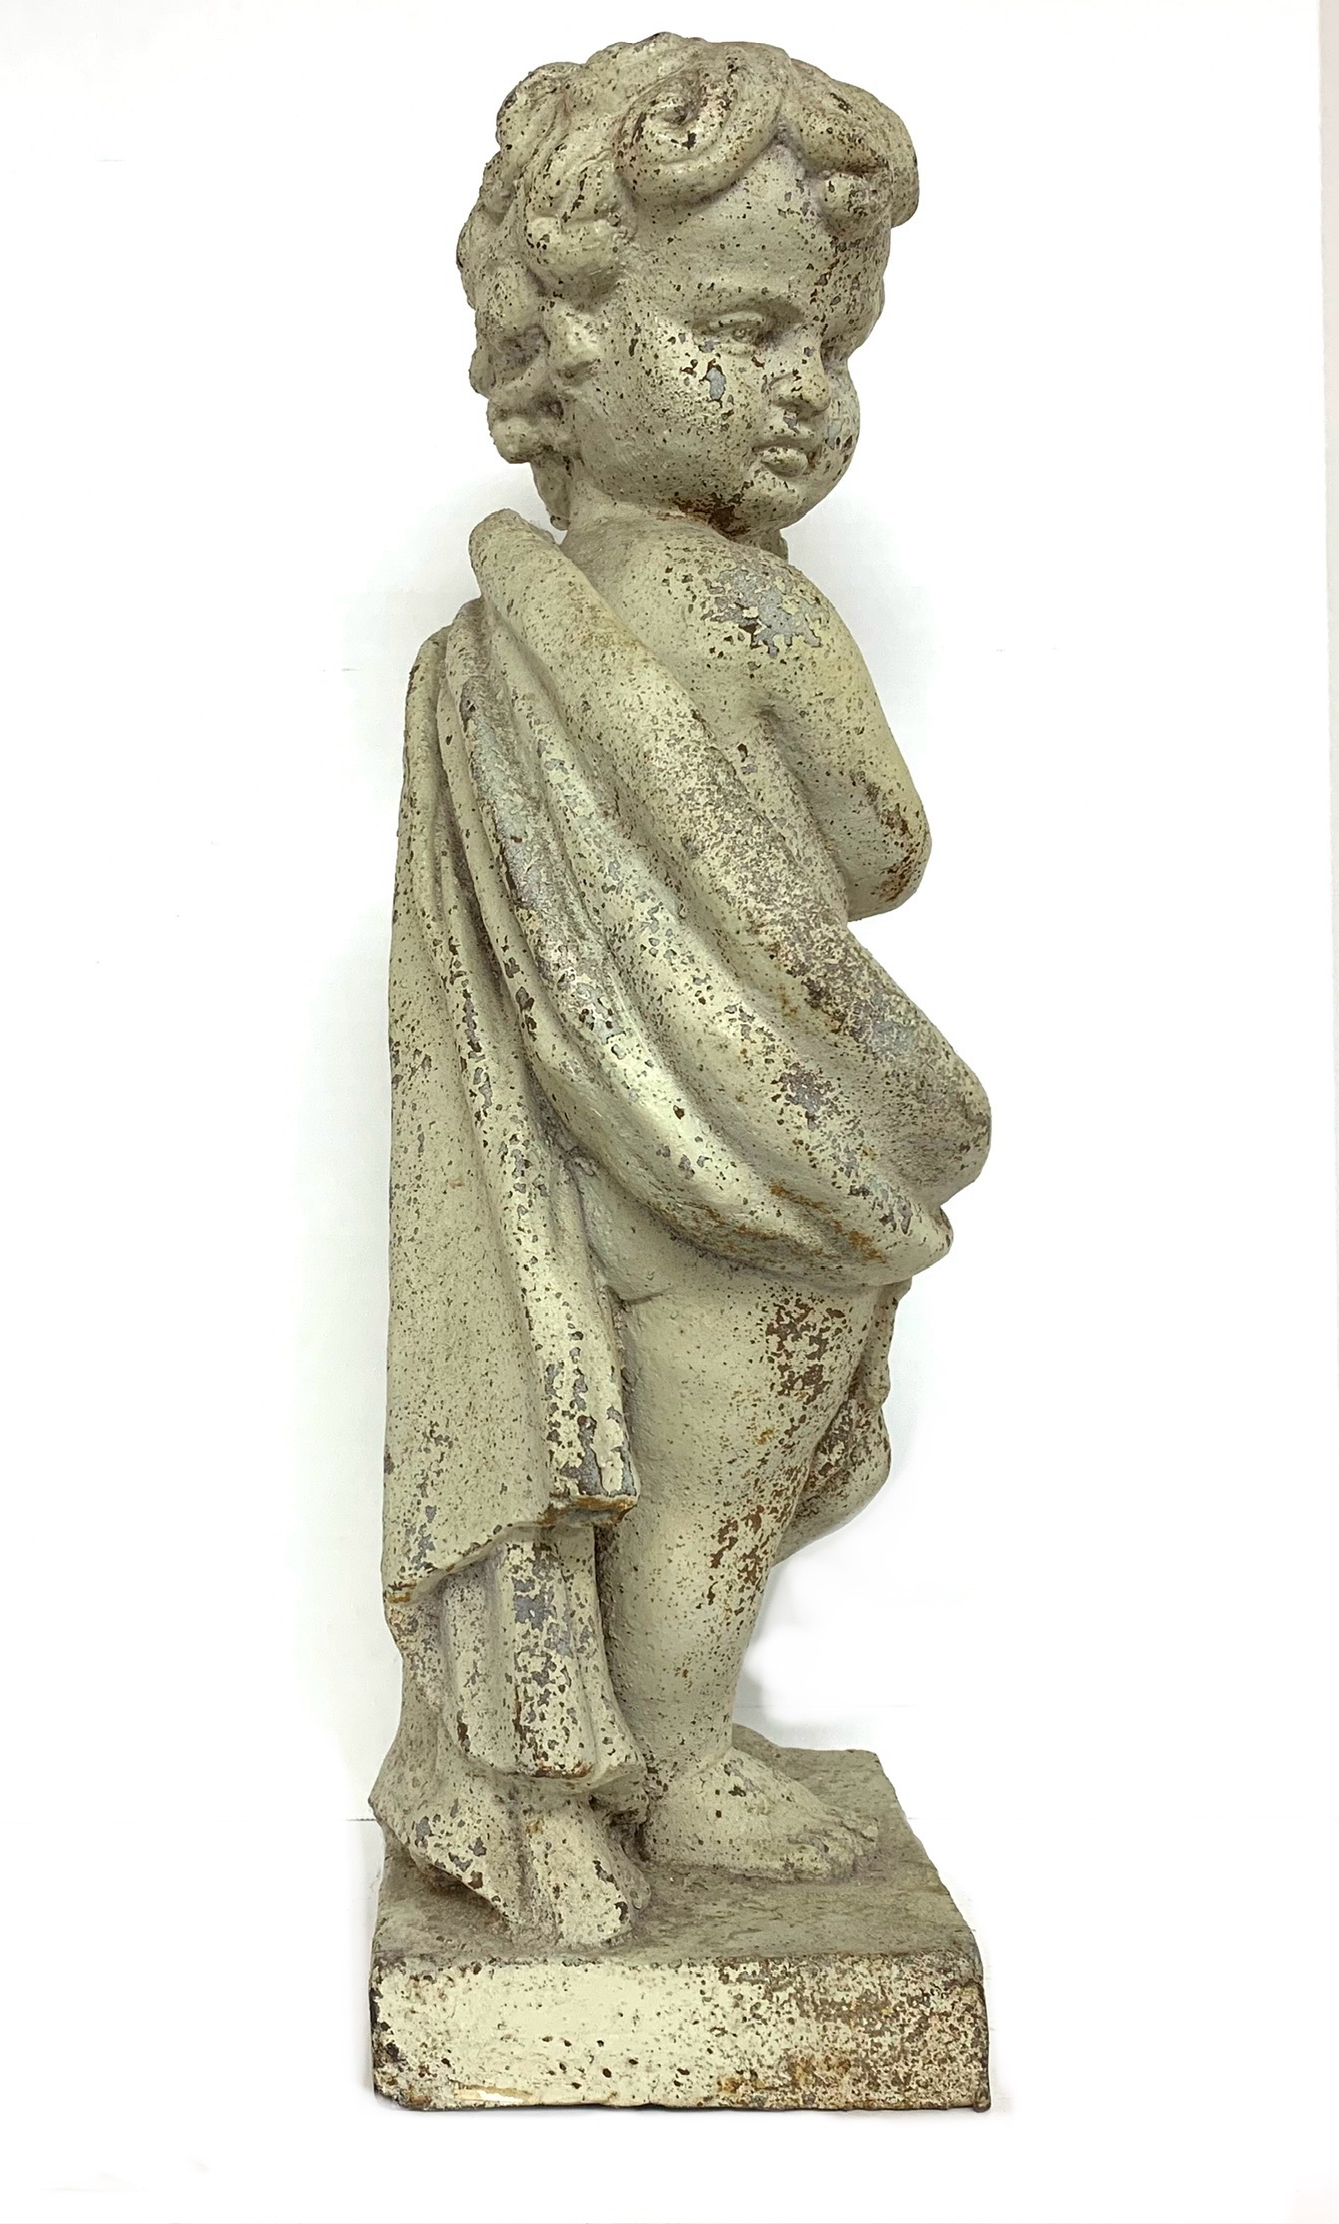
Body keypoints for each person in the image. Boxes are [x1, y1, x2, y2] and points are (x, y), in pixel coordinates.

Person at [372, 33, 990, 1946]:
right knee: (733, 1427)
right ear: (561, 354)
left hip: (606, 1132)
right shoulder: (753, 607)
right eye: (742, 330)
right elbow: (879, 845)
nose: (800, 389)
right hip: (742, 1148)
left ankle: (620, 1749)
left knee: (651, 1438)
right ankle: (673, 1753)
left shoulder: (496, 640)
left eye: (827, 345)